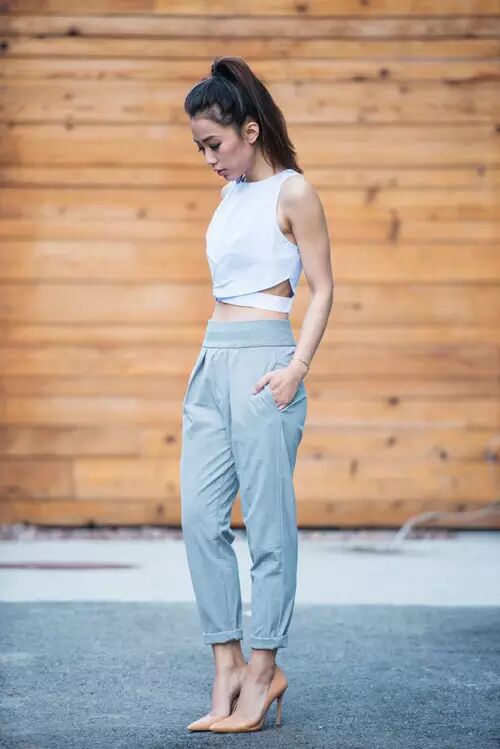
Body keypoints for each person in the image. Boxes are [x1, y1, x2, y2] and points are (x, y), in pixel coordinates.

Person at [180, 55, 334, 733]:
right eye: (200, 148)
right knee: (199, 517)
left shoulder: (293, 193)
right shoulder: (230, 196)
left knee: (268, 526)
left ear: (249, 129)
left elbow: (324, 288)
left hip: (268, 364)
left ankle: (265, 669)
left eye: (214, 144)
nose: (209, 159)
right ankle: (228, 663)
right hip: (211, 362)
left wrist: (297, 366)